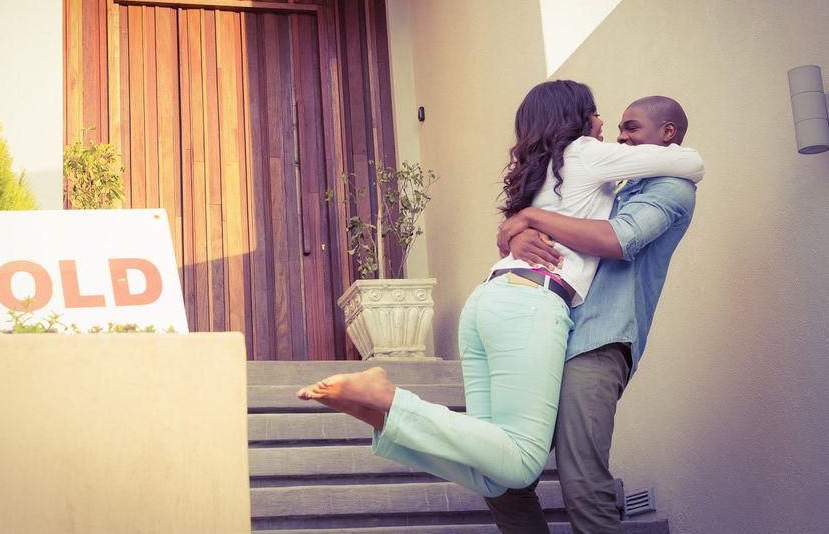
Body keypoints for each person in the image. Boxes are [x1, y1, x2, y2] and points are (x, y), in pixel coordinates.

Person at [295, 80, 705, 499]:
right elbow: (692, 162)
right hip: (531, 303)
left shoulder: (547, 168)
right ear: (577, 117)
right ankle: (390, 400)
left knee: (494, 474)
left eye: (627, 126)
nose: (607, 126)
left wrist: (523, 222)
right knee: (522, 459)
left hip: (488, 301)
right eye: (597, 113)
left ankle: (385, 421)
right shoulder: (584, 152)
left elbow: (537, 224)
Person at [484, 95, 700, 533]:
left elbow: (617, 240)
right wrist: (522, 237)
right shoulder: (618, 183)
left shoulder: (671, 189)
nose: (621, 135)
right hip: (552, 331)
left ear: (668, 134)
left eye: (632, 128)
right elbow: (562, 230)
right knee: (500, 472)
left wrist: (531, 215)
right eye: (620, 127)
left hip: (598, 343)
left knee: (582, 481)